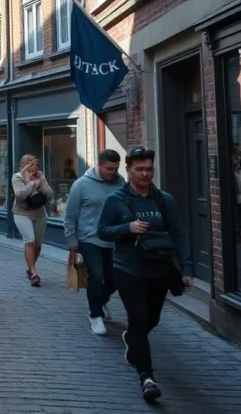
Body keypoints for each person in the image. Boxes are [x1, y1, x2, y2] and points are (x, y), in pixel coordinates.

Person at [98, 147, 193, 402]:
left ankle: (132, 341)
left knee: (151, 321)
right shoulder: (116, 200)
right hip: (128, 269)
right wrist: (127, 227)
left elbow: (179, 234)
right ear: (128, 171)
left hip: (159, 270)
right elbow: (103, 231)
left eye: (149, 169)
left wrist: (187, 268)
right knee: (138, 320)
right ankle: (147, 377)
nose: (145, 174)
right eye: (139, 169)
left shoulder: (164, 200)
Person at [64, 149, 125, 335]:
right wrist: (71, 239)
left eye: (116, 168)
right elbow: (70, 215)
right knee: (96, 276)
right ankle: (95, 315)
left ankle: (100, 300)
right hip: (89, 237)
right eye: (109, 168)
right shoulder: (81, 185)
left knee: (115, 278)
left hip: (114, 238)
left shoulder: (120, 183)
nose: (113, 172)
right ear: (99, 165)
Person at [11, 155, 55, 287]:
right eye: (30, 165)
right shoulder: (17, 177)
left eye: (35, 165)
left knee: (38, 244)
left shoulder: (40, 177)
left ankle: (30, 267)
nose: (34, 168)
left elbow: (50, 195)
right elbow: (20, 196)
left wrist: (40, 182)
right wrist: (30, 184)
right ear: (24, 166)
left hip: (40, 213)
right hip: (22, 213)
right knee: (30, 241)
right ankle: (34, 273)